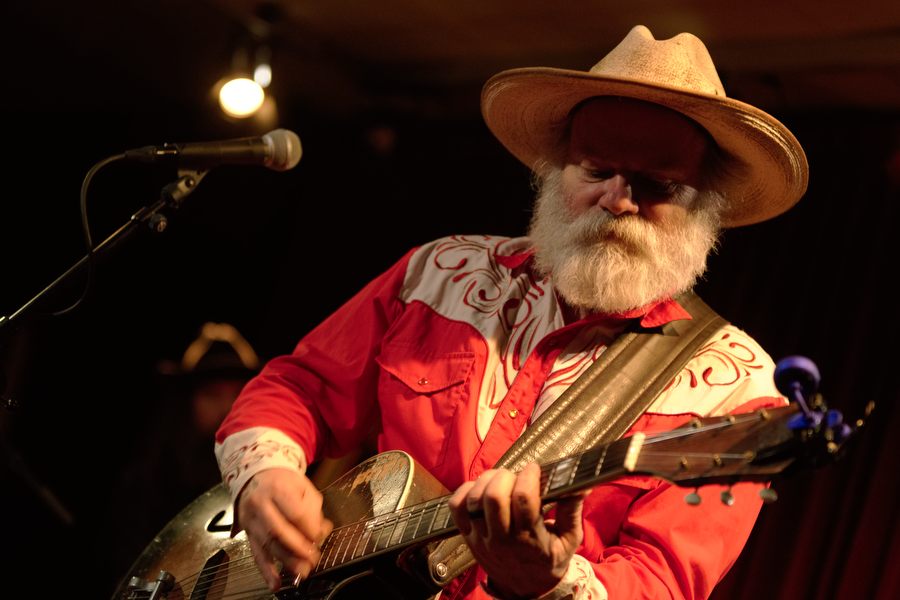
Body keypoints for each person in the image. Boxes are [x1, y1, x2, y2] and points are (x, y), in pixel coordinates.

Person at [214, 25, 808, 600]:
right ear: (554, 170)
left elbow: (661, 582)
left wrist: (551, 583)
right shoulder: (440, 271)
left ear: (706, 205)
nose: (618, 200)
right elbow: (299, 387)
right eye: (596, 170)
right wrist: (265, 475)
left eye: (658, 185)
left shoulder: (737, 389)